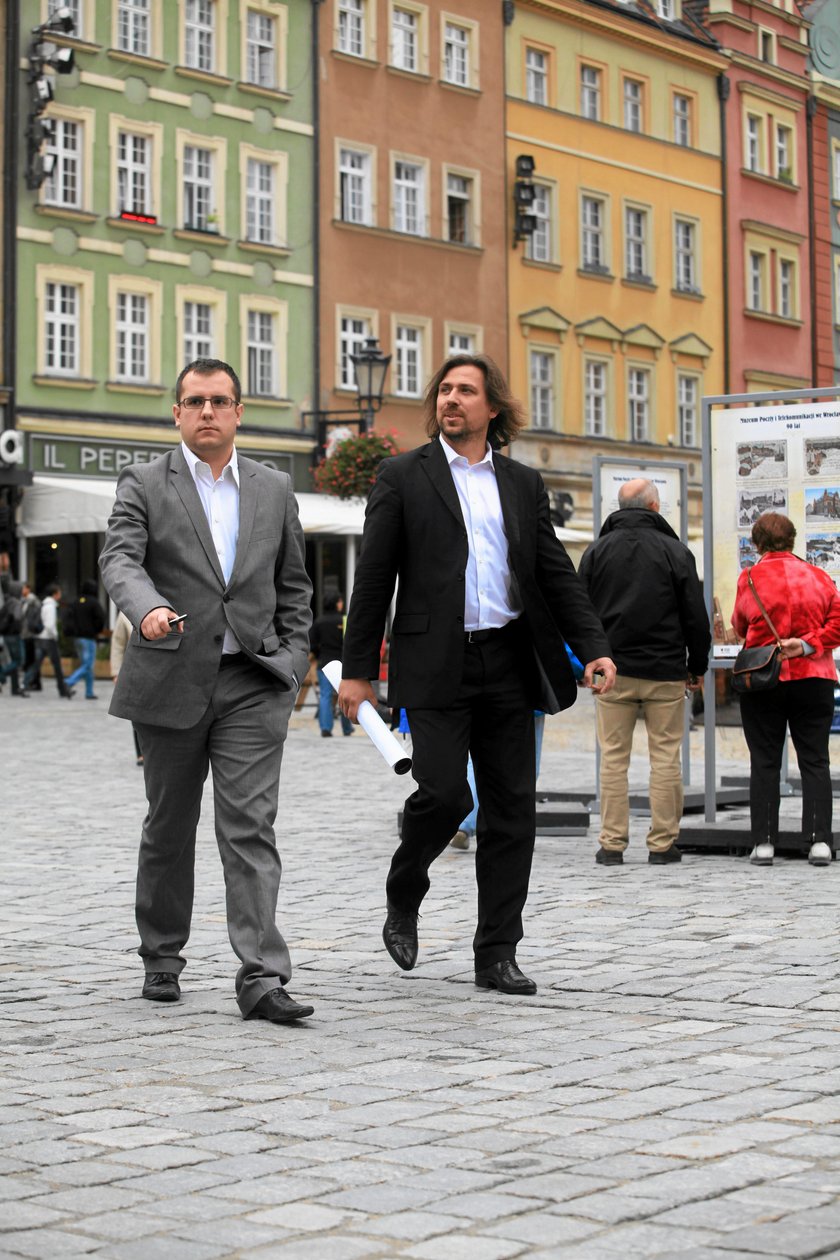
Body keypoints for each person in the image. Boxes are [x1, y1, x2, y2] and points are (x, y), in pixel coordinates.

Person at [338, 353, 615, 996]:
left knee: (512, 813)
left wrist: (594, 647)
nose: (451, 399)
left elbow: (554, 574)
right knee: (444, 795)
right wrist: (358, 671)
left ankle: (496, 953)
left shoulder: (521, 483)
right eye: (444, 390)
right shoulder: (402, 476)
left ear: (493, 408)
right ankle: (405, 887)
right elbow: (374, 578)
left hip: (509, 659)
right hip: (435, 661)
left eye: (466, 390)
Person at [99, 356, 314, 1024]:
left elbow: (294, 585)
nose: (208, 412)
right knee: (169, 825)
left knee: (250, 825)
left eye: (219, 401)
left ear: (239, 412)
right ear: (177, 413)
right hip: (170, 677)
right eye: (195, 401)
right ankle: (162, 955)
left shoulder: (274, 488)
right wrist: (146, 608)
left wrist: (292, 659)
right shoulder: (143, 481)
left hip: (253, 680)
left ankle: (262, 976)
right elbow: (119, 558)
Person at [578, 478, 711, 866]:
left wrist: (587, 660)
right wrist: (696, 666)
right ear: (654, 507)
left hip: (611, 670)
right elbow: (695, 617)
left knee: (613, 758)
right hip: (664, 669)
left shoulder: (597, 550)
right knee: (666, 757)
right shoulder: (676, 551)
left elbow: (580, 611)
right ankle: (662, 844)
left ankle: (611, 844)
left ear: (618, 508)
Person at [731, 511, 840, 868]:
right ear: (793, 540)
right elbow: (837, 625)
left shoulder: (749, 578)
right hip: (815, 677)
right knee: (815, 759)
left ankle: (764, 842)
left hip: (765, 679)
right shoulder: (819, 576)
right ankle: (820, 841)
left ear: (756, 543)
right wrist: (807, 644)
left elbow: (740, 624)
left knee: (764, 760)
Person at [309, 593, 353, 738]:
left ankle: (326, 728)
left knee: (325, 696)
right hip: (343, 664)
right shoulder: (344, 620)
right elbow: (351, 642)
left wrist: (319, 655)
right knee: (344, 695)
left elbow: (312, 644)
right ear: (337, 603)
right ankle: (347, 728)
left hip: (324, 663)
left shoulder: (318, 622)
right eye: (340, 601)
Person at [23, 584, 73, 698]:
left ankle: (24, 684)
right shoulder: (50, 606)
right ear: (55, 594)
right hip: (49, 639)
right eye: (59, 592)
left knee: (36, 664)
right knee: (57, 666)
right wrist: (55, 635)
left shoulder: (44, 604)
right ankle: (63, 690)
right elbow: (50, 625)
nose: (60, 595)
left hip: (40, 638)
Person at [110, 611, 144, 765]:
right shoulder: (126, 612)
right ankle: (140, 753)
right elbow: (118, 643)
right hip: (135, 671)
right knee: (137, 714)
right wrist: (116, 672)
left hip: (163, 672)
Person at [64, 579, 106, 700]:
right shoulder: (94, 603)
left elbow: (68, 617)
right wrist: (96, 630)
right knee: (88, 665)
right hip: (88, 638)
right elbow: (101, 618)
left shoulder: (76, 602)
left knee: (86, 665)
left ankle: (89, 692)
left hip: (77, 638)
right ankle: (68, 682)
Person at [0, 579, 28, 697]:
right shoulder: (16, 603)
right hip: (14, 635)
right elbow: (17, 618)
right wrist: (19, 629)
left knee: (13, 661)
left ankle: (15, 688)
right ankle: (1, 674)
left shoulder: (7, 602)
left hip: (6, 635)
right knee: (19, 660)